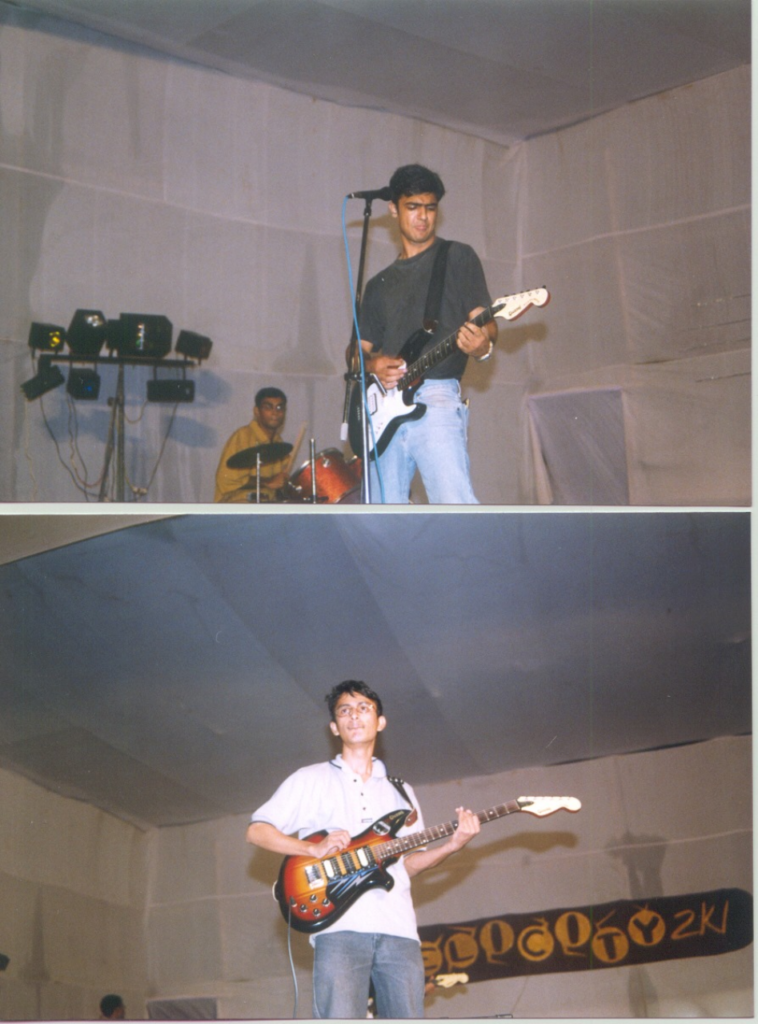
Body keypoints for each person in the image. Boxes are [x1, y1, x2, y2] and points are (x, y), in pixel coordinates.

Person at [246, 680, 481, 1019]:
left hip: (399, 931)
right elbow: (257, 831)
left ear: (380, 722)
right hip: (338, 930)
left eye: (363, 708)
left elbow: (408, 865)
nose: (354, 716)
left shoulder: (403, 793)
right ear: (334, 726)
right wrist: (311, 850)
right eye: (344, 710)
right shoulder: (310, 779)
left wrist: (453, 846)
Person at [352, 164, 496, 504]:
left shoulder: (457, 257)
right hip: (383, 410)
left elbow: (485, 322)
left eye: (430, 208)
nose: (423, 217)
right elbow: (354, 352)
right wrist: (373, 365)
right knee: (382, 520)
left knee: (454, 505)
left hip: (437, 399)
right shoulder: (378, 285)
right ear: (392, 209)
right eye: (413, 207)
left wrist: (483, 344)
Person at [214, 388, 290, 502]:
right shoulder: (242, 436)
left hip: (266, 507)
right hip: (238, 507)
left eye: (279, 407)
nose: (275, 412)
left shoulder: (279, 443)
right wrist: (268, 482)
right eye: (268, 407)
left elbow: (276, 487)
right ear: (257, 411)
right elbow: (226, 480)